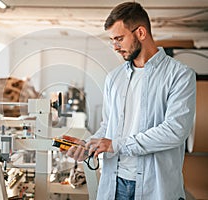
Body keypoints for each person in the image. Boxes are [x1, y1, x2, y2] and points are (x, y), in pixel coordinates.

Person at [65, 2, 196, 200]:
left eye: (119, 39)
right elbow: (109, 127)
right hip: (115, 185)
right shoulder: (114, 78)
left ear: (141, 33)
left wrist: (116, 145)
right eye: (112, 41)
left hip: (156, 187)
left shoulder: (179, 75)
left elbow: (175, 131)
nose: (115, 47)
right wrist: (90, 146)